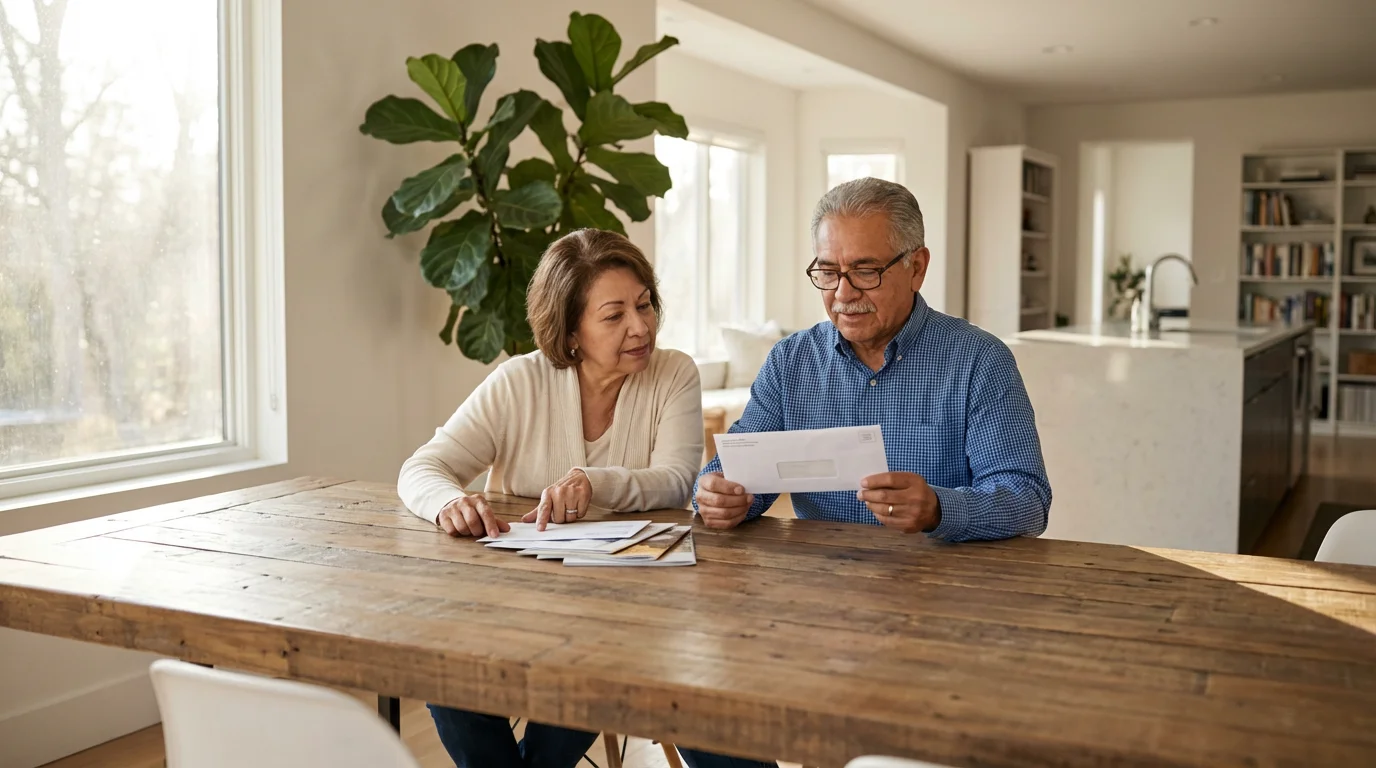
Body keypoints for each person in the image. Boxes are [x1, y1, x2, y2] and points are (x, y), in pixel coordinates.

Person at [398, 228, 772, 768]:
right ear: (572, 332)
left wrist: (595, 483)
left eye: (644, 305)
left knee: (598, 674)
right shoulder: (518, 382)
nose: (641, 326)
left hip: (630, 615)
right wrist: (446, 503)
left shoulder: (672, 374)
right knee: (446, 670)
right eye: (614, 315)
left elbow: (674, 480)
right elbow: (424, 467)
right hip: (521, 609)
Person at [694, 178, 1051, 539]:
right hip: (818, 578)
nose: (843, 294)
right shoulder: (790, 361)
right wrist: (717, 496)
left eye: (866, 272)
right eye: (829, 272)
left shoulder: (979, 361)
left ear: (917, 268)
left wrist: (939, 509)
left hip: (938, 583)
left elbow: (1028, 502)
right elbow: (735, 476)